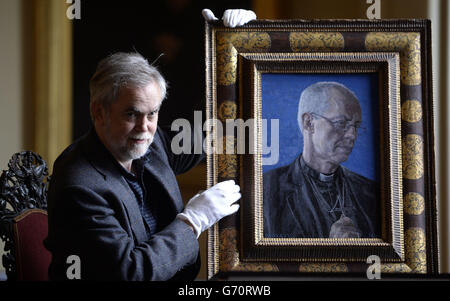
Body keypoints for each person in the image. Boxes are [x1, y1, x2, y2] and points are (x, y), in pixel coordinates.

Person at [44, 9, 256, 281]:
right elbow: (131, 273)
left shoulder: (152, 144)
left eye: (152, 113)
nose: (145, 128)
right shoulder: (80, 184)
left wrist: (238, 46)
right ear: (99, 112)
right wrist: (193, 221)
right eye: (131, 114)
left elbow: (212, 129)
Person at [263, 82, 380, 239]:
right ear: (309, 123)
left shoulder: (370, 193)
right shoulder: (266, 189)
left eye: (356, 126)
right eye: (341, 123)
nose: (352, 135)